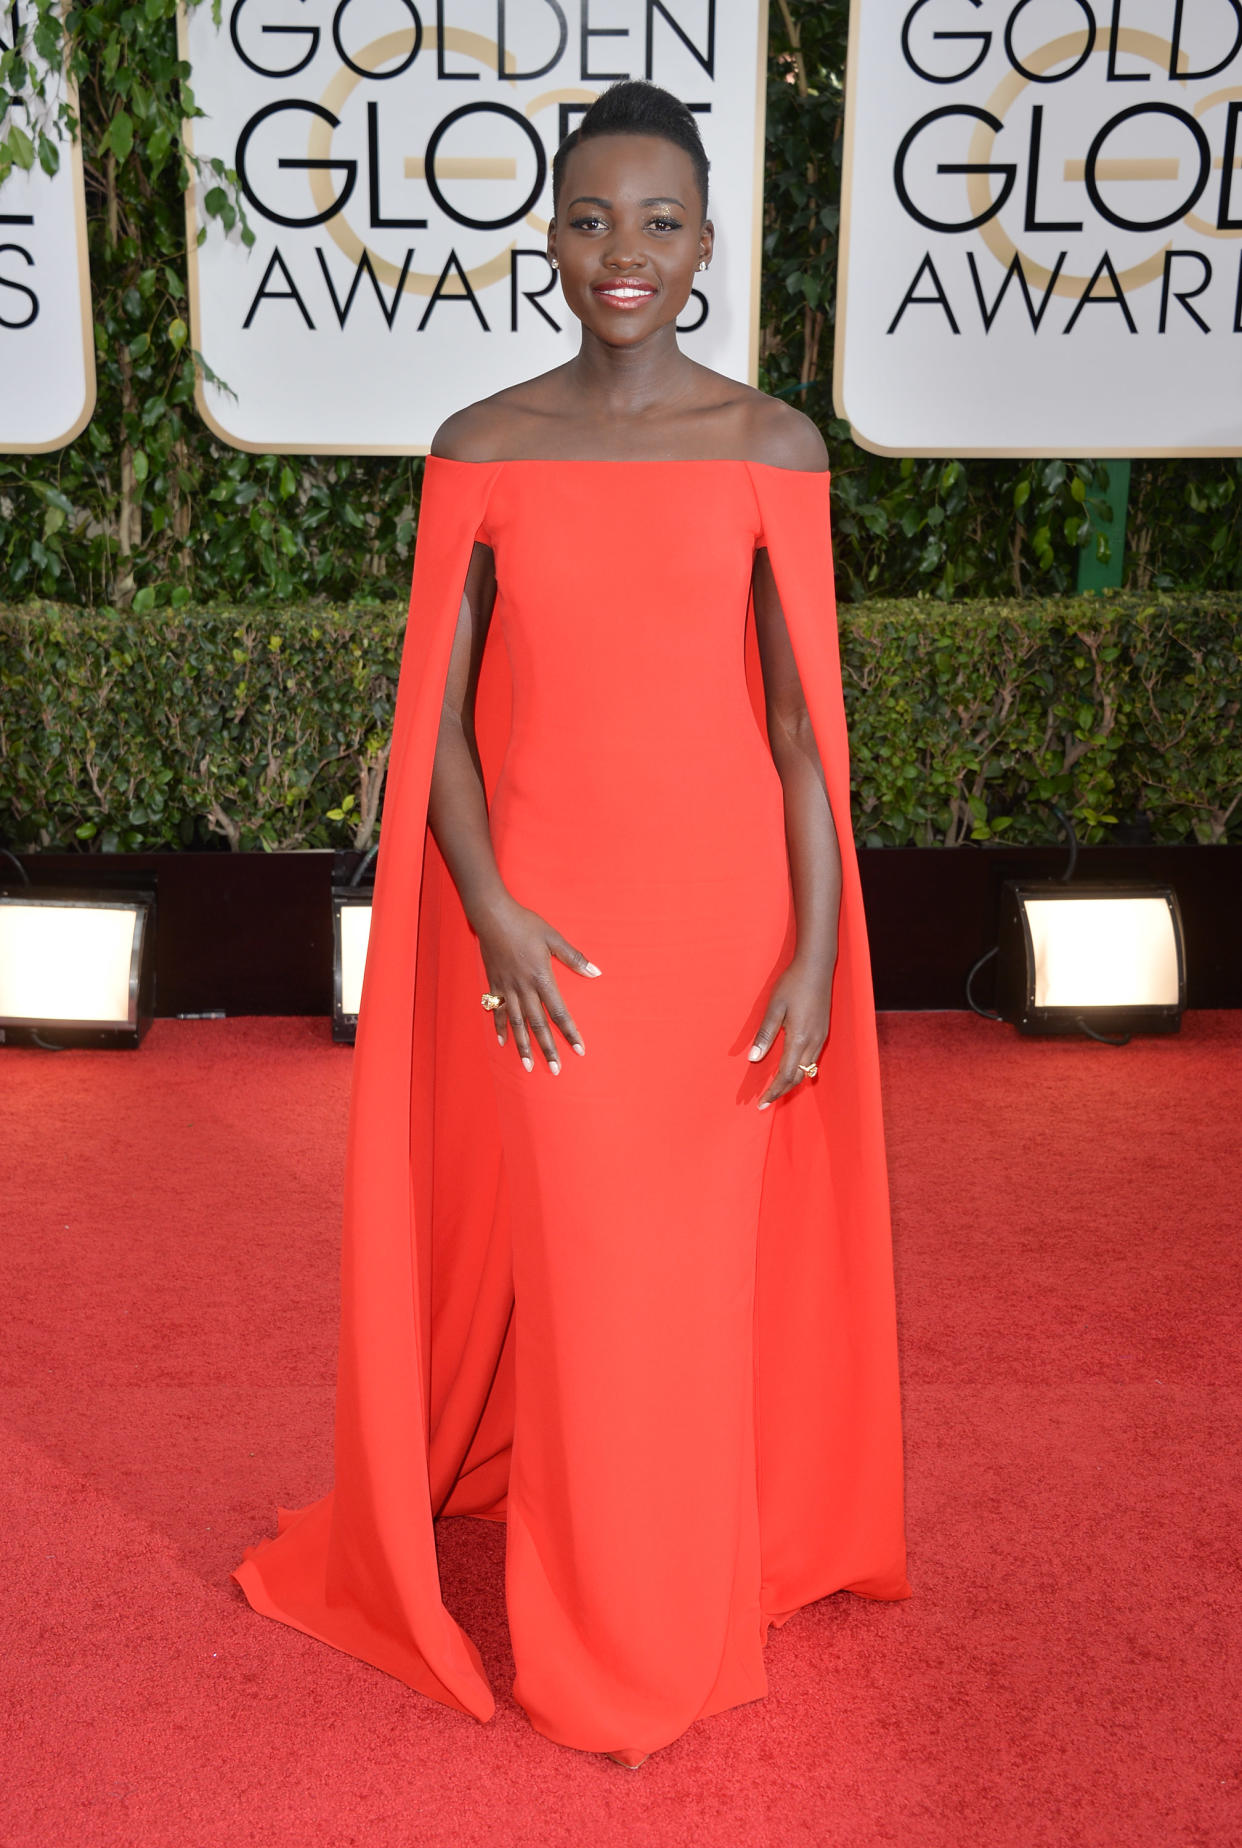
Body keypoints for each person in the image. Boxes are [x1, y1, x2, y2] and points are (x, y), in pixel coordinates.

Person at [233, 79, 910, 1770]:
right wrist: (492, 913)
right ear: (549, 236)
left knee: (677, 1282)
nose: (625, 251)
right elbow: (437, 721)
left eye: (659, 220)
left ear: (704, 245)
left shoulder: (771, 449)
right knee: (596, 1265)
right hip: (549, 931)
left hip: (723, 926)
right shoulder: (484, 444)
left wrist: (817, 947)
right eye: (593, 217)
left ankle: (654, 1609)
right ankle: (611, 1626)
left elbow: (794, 729)